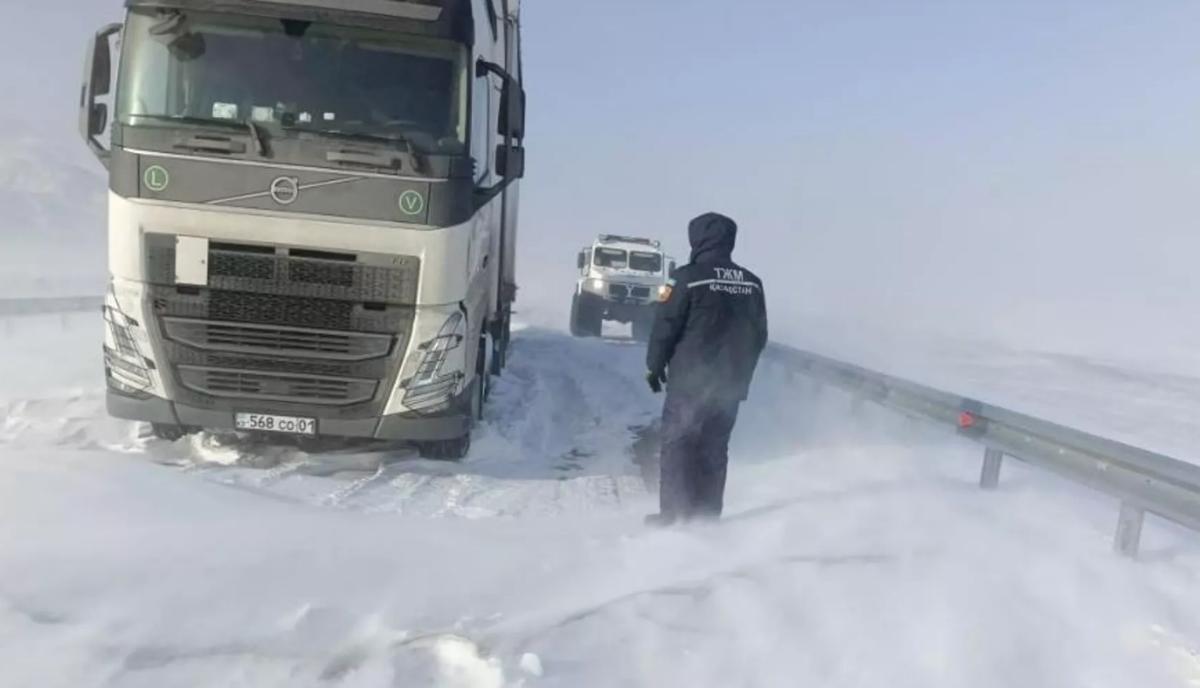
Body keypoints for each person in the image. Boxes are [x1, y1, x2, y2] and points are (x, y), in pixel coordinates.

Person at [644, 212, 769, 526]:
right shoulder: (753, 284)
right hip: (730, 383)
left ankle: (674, 515)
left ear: (696, 239)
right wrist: (742, 373)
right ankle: (707, 516)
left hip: (690, 381)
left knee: (678, 444)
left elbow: (666, 326)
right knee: (714, 448)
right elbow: (760, 335)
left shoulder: (686, 278)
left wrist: (654, 366)